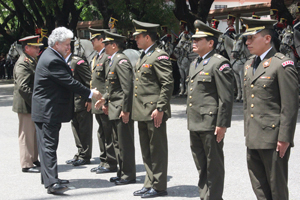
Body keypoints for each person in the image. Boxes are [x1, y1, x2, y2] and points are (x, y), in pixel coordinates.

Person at [31, 27, 103, 195]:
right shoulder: (52, 59)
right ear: (56, 44)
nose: (69, 47)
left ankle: (50, 178)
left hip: (47, 110)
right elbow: (69, 82)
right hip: (48, 110)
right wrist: (91, 93)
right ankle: (52, 183)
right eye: (66, 44)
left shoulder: (51, 55)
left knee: (47, 145)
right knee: (48, 146)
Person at [241, 17, 299, 200]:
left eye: (251, 37)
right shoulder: (249, 64)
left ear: (267, 39)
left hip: (273, 139)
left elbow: (289, 106)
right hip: (253, 136)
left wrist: (284, 138)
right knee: (259, 186)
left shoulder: (282, 64)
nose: (247, 42)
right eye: (246, 38)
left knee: (277, 188)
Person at [187, 20, 234, 200]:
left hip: (210, 123)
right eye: (194, 39)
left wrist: (222, 125)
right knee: (201, 164)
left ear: (211, 43)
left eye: (199, 39)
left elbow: (226, 98)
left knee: (213, 165)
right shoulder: (194, 64)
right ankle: (204, 195)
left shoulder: (219, 64)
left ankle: (214, 197)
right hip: (195, 122)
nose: (194, 42)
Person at [131, 19, 174, 198]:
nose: (135, 39)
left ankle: (159, 186)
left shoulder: (159, 55)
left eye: (138, 36)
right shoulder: (143, 55)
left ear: (147, 37)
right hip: (141, 111)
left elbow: (167, 83)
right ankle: (149, 182)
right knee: (146, 150)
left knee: (157, 150)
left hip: (154, 111)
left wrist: (161, 107)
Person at [96, 30, 136, 185]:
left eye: (106, 44)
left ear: (114, 45)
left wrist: (126, 110)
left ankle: (128, 175)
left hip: (120, 109)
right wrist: (104, 99)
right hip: (114, 108)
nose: (104, 47)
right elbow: (112, 88)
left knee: (125, 143)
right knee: (118, 143)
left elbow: (127, 88)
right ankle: (121, 172)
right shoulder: (113, 60)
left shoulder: (121, 61)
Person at [88, 27, 118, 174]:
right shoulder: (97, 57)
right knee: (101, 131)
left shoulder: (106, 58)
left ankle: (111, 162)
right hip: (97, 102)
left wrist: (106, 101)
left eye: (94, 39)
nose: (92, 42)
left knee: (108, 132)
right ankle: (104, 159)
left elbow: (108, 82)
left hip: (103, 101)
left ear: (101, 40)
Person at [12, 36, 43, 173]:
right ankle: (26, 163)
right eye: (35, 47)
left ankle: (33, 158)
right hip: (26, 104)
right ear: (27, 48)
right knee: (26, 134)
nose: (38, 49)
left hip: (30, 103)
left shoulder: (30, 61)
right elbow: (23, 87)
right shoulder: (23, 63)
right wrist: (35, 102)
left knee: (34, 133)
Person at [64, 41, 93, 166]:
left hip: (82, 101)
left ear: (68, 48)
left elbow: (89, 81)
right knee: (75, 128)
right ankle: (80, 152)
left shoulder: (77, 62)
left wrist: (90, 99)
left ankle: (85, 155)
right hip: (71, 103)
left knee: (84, 129)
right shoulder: (65, 62)